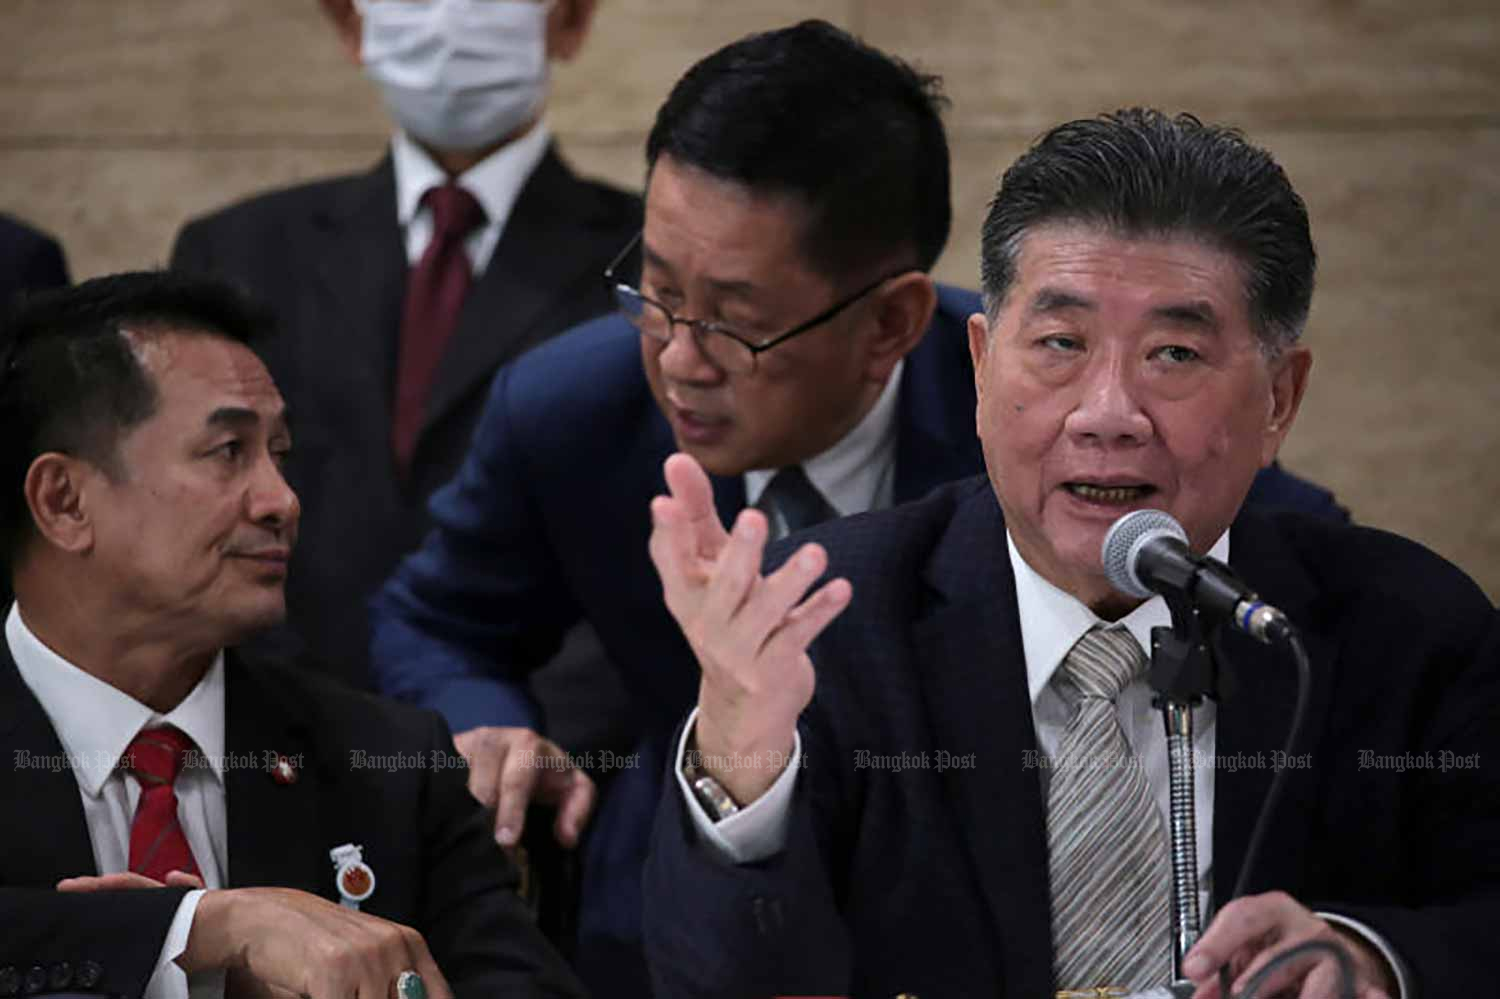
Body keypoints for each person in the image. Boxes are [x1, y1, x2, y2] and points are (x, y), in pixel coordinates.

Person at [367, 23, 1346, 997]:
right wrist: (486, 724)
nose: (678, 359)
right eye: (657, 292)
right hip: (684, 900)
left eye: (736, 321)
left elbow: (1288, 555)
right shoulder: (569, 411)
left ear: (892, 323)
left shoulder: (1043, 424)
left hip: (981, 906)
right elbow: (435, 617)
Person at [643, 109, 1500, 998]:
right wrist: (739, 757)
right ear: (980, 366)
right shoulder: (828, 623)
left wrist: (1367, 961)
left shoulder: (1408, 632)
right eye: (1060, 344)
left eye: (1174, 352)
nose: (1107, 412)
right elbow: (713, 980)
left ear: (1279, 398)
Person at [0, 272, 583, 999]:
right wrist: (197, 930)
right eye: (228, 452)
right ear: (64, 502)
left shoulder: (389, 765)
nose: (283, 501)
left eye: (280, 453)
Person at [170, 0, 640, 690]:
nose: (451, 21)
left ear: (570, 21)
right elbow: (184, 517)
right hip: (270, 741)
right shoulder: (237, 251)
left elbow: (657, 541)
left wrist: (522, 739)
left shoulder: (650, 260)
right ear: (350, 23)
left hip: (542, 755)